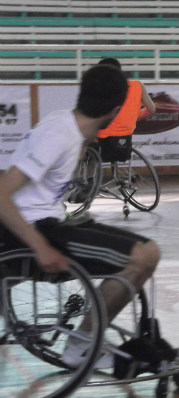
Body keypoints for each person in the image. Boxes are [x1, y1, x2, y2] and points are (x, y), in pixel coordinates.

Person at [0, 64, 161, 369]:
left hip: (52, 224)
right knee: (141, 256)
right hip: (37, 232)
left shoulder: (73, 131)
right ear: (115, 110)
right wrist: (40, 245)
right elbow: (1, 194)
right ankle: (81, 345)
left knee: (148, 251)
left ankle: (88, 339)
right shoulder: (58, 134)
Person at [96, 57, 156, 162]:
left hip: (103, 140)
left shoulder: (100, 88)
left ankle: (90, 178)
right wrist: (136, 115)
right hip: (124, 142)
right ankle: (118, 174)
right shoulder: (137, 85)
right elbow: (151, 109)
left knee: (85, 145)